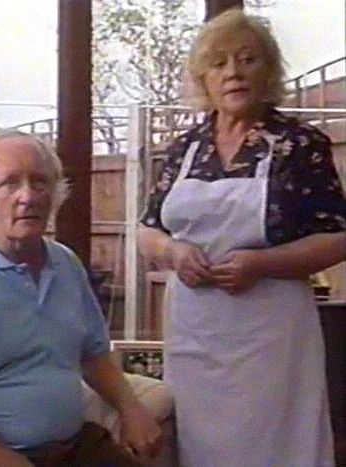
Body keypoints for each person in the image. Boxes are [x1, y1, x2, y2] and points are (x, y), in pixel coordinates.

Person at [138, 9, 346, 467]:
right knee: (197, 446)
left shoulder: (298, 144)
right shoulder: (184, 149)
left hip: (271, 335)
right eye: (219, 63)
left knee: (278, 445)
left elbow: (336, 237)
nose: (233, 72)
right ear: (204, 79)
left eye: (247, 59)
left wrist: (262, 264)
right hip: (196, 333)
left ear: (268, 71)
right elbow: (147, 229)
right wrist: (173, 251)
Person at [0, 129, 163, 466]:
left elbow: (93, 354)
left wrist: (132, 410)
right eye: (10, 183)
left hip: (73, 447)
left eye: (40, 183)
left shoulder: (66, 264)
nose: (28, 197)